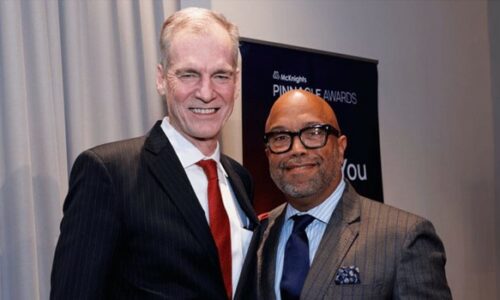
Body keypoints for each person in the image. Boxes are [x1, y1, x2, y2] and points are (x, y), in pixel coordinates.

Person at [50, 7, 258, 300]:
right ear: (161, 79)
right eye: (189, 74)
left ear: (236, 83)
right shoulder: (109, 173)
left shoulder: (240, 179)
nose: (207, 92)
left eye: (221, 75)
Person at [256, 89, 452, 299]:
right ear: (268, 154)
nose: (296, 149)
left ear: (341, 148)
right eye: (280, 137)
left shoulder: (404, 237)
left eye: (313, 133)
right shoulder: (258, 234)